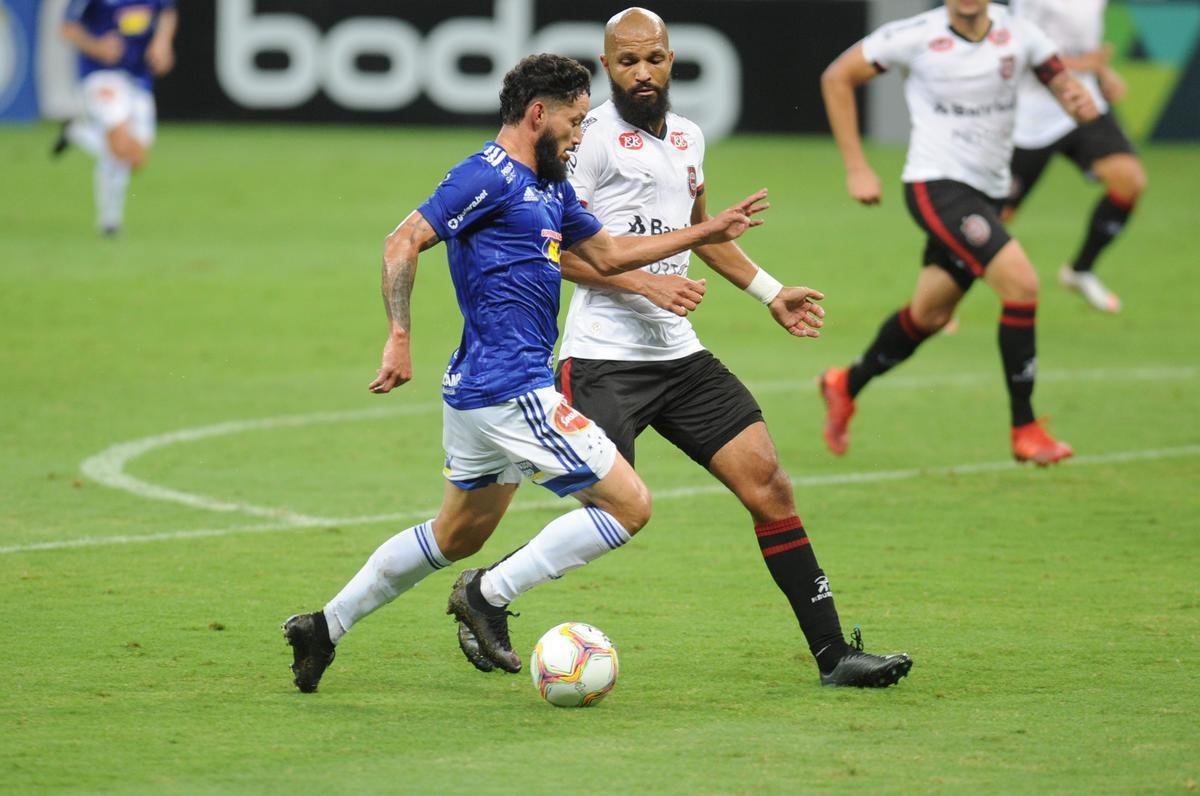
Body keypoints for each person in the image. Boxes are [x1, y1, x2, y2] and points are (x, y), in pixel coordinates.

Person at [454, 8, 914, 689]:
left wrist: (770, 291)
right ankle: (487, 592)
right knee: (613, 510)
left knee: (771, 488)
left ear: (673, 60)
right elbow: (550, 249)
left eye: (656, 59)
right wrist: (643, 283)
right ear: (607, 68)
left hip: (679, 355)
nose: (644, 72)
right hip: (603, 356)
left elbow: (704, 232)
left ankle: (833, 655)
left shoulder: (689, 137)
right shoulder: (587, 144)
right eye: (629, 61)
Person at [282, 53, 771, 693]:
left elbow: (609, 252)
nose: (578, 134)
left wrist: (701, 231)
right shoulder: (485, 176)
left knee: (455, 534)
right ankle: (487, 596)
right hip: (510, 389)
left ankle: (322, 627)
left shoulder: (551, 184)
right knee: (629, 505)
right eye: (572, 121)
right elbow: (402, 240)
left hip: (476, 395)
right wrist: (399, 335)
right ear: (537, 114)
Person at [818, 0, 1099, 466]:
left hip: (987, 193)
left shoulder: (1020, 32)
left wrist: (1075, 96)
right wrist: (857, 166)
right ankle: (1025, 428)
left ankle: (844, 384)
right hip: (937, 185)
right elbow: (837, 77)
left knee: (928, 316)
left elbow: (1058, 78)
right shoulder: (915, 34)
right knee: (1023, 286)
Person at [1004, 0, 1147, 313]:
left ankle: (1080, 270)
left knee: (1129, 180)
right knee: (994, 219)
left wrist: (1102, 73)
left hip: (1082, 104)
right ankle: (940, 300)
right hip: (1031, 116)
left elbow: (1084, 43)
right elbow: (1017, 53)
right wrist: (1088, 66)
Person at [52, 0, 177, 236]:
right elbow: (66, 28)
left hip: (138, 78)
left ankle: (78, 132)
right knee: (119, 146)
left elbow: (167, 13)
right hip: (101, 75)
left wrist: (162, 43)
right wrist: (96, 46)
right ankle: (110, 222)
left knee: (136, 159)